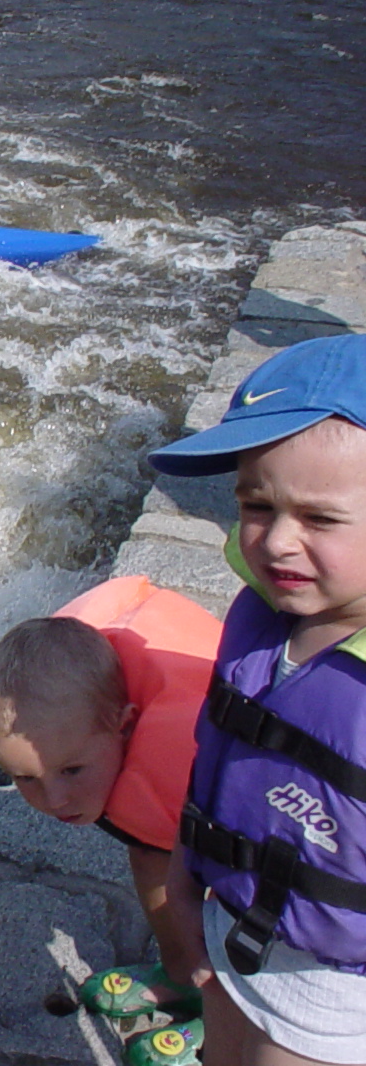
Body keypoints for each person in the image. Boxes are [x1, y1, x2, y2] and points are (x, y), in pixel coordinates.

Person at [150, 333, 366, 1066]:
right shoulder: (264, 622)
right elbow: (222, 762)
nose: (276, 543)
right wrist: (184, 879)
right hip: (232, 923)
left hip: (330, 989)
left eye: (320, 519)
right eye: (256, 505)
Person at [0, 576, 219, 1031]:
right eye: (25, 778)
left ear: (125, 726)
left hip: (286, 832)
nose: (55, 801)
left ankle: (230, 1013)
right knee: (152, 851)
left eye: (71, 770)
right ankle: (180, 972)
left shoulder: (189, 764)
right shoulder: (87, 710)